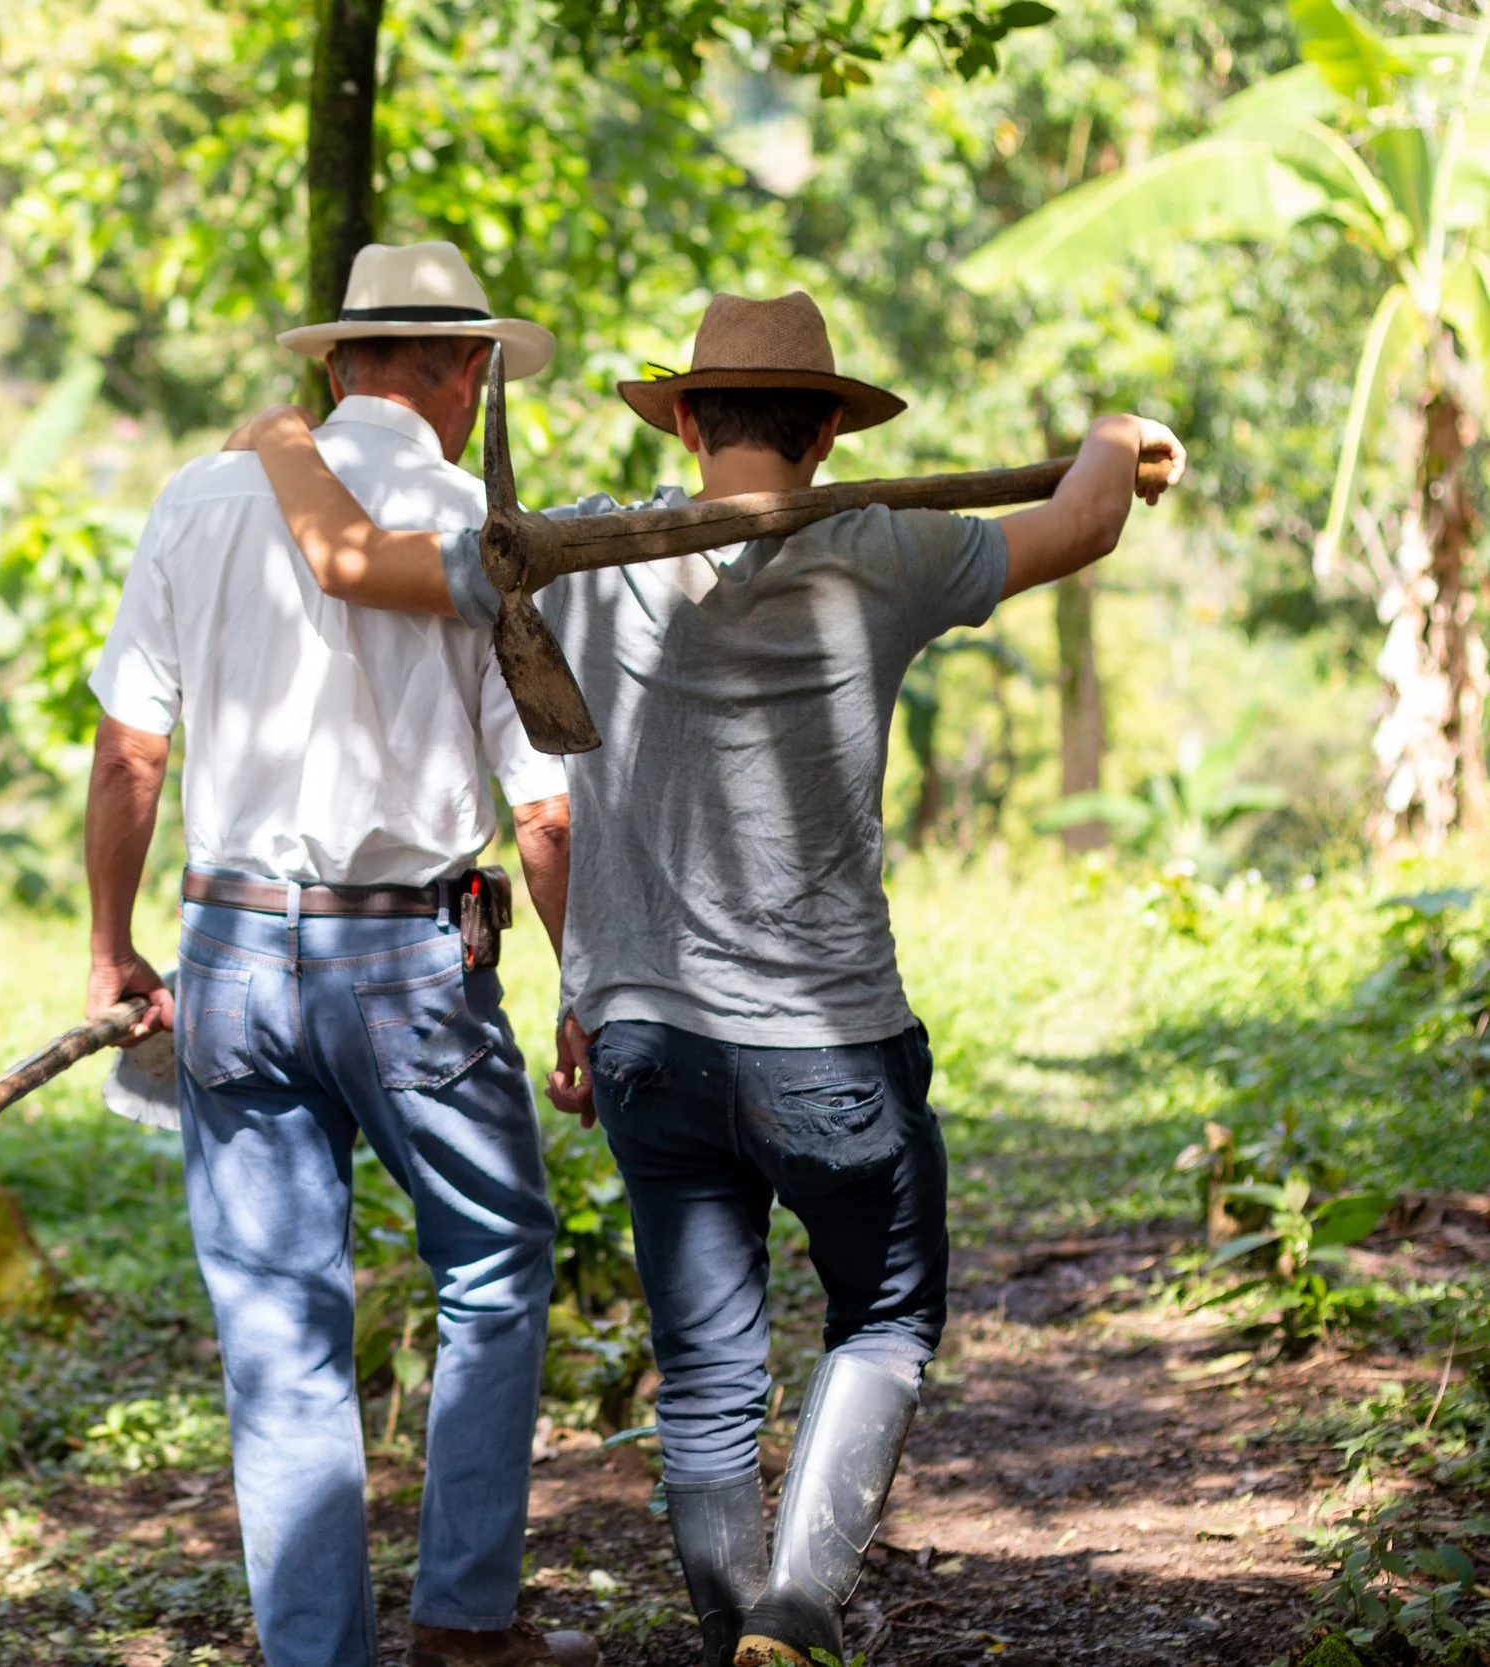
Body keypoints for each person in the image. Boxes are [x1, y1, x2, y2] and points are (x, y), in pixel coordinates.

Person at [224, 289, 1185, 1667]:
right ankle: (793, 1608)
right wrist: (1113, 433)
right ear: (829, 433)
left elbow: (343, 556)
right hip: (833, 1047)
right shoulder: (886, 553)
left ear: (684, 415)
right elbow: (1088, 518)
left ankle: (741, 1632)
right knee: (888, 1313)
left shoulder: (565, 556)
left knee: (712, 1379)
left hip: (647, 1049)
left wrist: (279, 432)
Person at [82, 241, 600, 1667]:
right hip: (413, 958)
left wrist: (110, 948)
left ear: (337, 362)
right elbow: (544, 812)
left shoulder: (197, 500)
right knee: (494, 1263)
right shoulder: (482, 528)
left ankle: (318, 1654)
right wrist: (589, 991)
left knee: (277, 1318)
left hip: (232, 952)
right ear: (465, 366)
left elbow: (132, 753)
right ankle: (466, 1618)